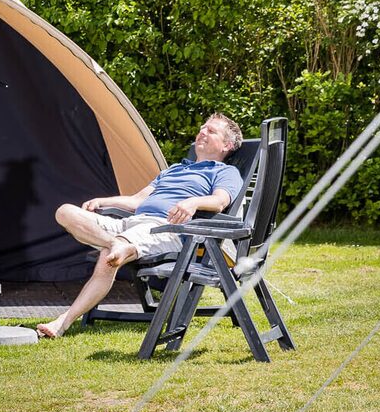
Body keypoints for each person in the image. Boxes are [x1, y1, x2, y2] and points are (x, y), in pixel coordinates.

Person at [36, 113, 244, 339]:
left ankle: (63, 322)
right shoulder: (173, 169)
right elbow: (137, 201)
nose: (202, 132)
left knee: (109, 256)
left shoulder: (225, 172)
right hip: (130, 224)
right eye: (202, 127)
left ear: (227, 145)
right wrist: (104, 201)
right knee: (65, 212)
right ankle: (115, 243)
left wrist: (193, 202)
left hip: (165, 228)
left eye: (211, 131)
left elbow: (220, 201)